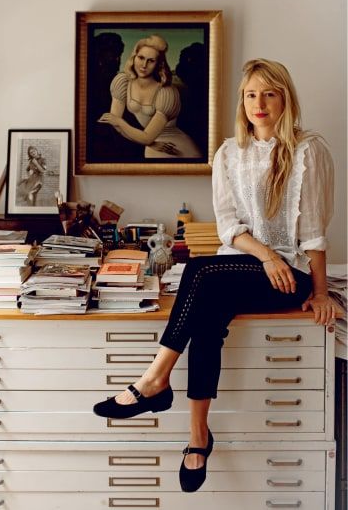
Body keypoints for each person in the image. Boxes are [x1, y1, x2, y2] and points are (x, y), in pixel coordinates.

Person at [93, 58, 337, 492]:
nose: (258, 103)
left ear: (285, 99)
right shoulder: (228, 153)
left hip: (291, 276)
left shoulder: (308, 150)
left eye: (269, 94)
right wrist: (265, 256)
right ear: (241, 101)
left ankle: (154, 379)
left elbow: (315, 230)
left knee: (201, 271)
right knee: (206, 320)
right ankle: (198, 437)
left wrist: (318, 291)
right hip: (248, 266)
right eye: (250, 95)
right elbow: (228, 228)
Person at [98, 34, 203, 159]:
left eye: (151, 61)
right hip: (153, 144)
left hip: (175, 146)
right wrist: (151, 143)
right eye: (141, 58)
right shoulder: (122, 81)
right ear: (134, 57)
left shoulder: (166, 92)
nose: (144, 65)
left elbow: (121, 124)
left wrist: (120, 122)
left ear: (159, 64)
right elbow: (117, 127)